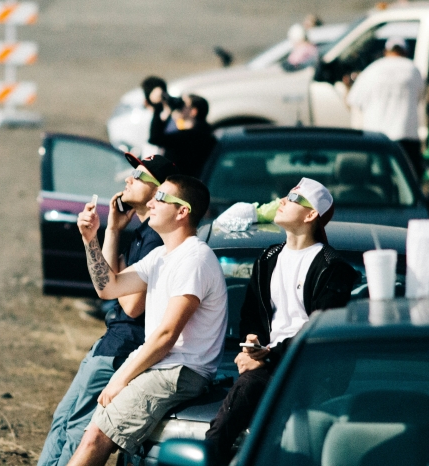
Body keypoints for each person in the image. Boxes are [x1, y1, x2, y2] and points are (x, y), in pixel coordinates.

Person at [68, 175, 228, 466]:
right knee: (94, 435)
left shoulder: (195, 259)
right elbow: (108, 287)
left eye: (162, 198)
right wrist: (91, 239)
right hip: (161, 365)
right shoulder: (161, 256)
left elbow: (167, 334)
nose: (151, 202)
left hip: (180, 370)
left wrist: (121, 377)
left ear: (182, 212)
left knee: (95, 438)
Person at [204, 177, 360, 465]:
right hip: (267, 361)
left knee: (247, 392)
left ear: (311, 214)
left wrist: (268, 357)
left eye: (294, 199)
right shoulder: (269, 257)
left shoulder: (332, 267)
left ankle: (210, 456)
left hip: (308, 367)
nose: (283, 201)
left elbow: (320, 329)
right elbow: (251, 313)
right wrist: (251, 341)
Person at [37, 154, 179, 466]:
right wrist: (112, 230)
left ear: (160, 192)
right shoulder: (142, 232)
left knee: (76, 430)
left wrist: (96, 239)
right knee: (63, 420)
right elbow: (107, 286)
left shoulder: (158, 240)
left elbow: (130, 305)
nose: (128, 179)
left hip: (122, 347)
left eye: (139, 177)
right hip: (109, 342)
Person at [347, 37, 425, 180]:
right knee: (409, 179)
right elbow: (420, 97)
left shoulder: (372, 69)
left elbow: (353, 100)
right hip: (406, 135)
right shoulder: (413, 70)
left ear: (386, 51)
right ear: (405, 51)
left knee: (381, 179)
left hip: (377, 136)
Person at [147, 87, 216, 177]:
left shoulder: (191, 136)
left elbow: (155, 138)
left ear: (193, 111)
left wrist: (157, 108)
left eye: (183, 104)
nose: (180, 107)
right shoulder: (205, 132)